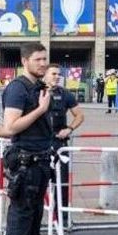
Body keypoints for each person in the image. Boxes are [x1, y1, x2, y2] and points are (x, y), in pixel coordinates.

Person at [0, 42, 55, 235]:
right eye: (38, 59)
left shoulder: (41, 87)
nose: (43, 63)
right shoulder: (17, 89)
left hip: (41, 161)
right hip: (26, 163)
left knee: (34, 223)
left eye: (45, 59)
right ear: (25, 61)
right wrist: (40, 110)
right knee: (20, 223)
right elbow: (10, 127)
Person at [43, 64, 84, 224]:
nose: (56, 77)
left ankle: (62, 218)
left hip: (59, 143)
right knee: (37, 182)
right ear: (45, 75)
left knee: (62, 182)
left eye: (58, 74)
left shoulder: (65, 94)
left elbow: (79, 115)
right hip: (41, 143)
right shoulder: (36, 92)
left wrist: (69, 128)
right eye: (53, 74)